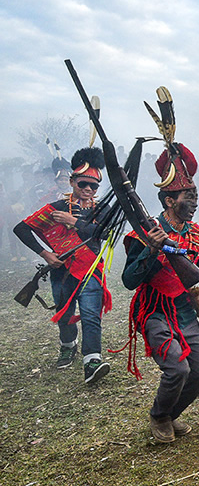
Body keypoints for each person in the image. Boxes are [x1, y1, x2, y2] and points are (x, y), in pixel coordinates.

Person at [121, 140, 199, 443]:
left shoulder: (193, 232)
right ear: (170, 201)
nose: (194, 202)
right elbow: (129, 280)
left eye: (195, 195)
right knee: (177, 370)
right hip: (155, 310)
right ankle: (158, 415)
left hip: (185, 310)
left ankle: (169, 414)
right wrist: (152, 250)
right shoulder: (146, 233)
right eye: (188, 196)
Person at [14, 147, 113, 382]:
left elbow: (106, 234)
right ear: (72, 182)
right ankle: (68, 345)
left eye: (94, 186)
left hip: (91, 272)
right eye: (83, 184)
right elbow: (21, 228)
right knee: (64, 314)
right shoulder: (56, 207)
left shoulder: (103, 209)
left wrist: (74, 222)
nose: (88, 189)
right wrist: (45, 254)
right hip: (62, 272)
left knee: (91, 315)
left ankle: (92, 360)